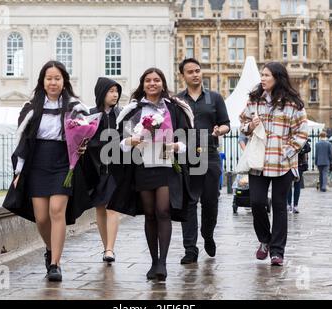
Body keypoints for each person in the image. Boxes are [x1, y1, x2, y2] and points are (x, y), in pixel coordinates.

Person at [2, 60, 90, 282]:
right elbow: (23, 142)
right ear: (43, 81)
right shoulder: (31, 108)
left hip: (63, 161)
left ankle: (55, 264)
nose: (53, 82)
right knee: (41, 218)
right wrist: (18, 172)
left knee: (56, 210)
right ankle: (51, 249)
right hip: (37, 163)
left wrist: (83, 143)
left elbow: (85, 136)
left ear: (64, 81)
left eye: (57, 78)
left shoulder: (75, 107)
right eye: (49, 78)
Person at [107, 67, 193, 281]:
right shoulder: (134, 110)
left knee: (163, 210)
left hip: (166, 165)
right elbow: (121, 141)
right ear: (142, 84)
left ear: (163, 83)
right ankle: (153, 261)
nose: (152, 83)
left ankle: (163, 263)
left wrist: (176, 146)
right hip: (143, 165)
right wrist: (131, 141)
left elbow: (189, 139)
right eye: (148, 80)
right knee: (150, 213)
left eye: (156, 80)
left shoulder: (175, 108)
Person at [239, 62, 308, 266]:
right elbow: (242, 124)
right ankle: (264, 240)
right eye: (261, 74)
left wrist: (287, 152)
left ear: (277, 77)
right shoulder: (254, 101)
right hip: (258, 162)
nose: (262, 78)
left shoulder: (293, 104)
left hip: (282, 164)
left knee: (279, 206)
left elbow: (302, 132)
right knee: (257, 203)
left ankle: (277, 252)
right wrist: (250, 125)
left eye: (266, 75)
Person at [176, 58, 230, 264]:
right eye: (190, 72)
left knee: (210, 201)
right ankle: (190, 249)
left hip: (210, 153)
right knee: (188, 203)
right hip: (186, 155)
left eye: (197, 70)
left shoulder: (214, 98)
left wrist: (220, 130)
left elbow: (226, 124)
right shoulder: (177, 101)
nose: (195, 74)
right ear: (183, 76)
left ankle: (207, 234)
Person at [82, 77, 123, 263]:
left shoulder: (121, 115)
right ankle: (106, 247)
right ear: (101, 93)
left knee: (113, 207)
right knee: (100, 208)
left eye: (116, 91)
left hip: (115, 168)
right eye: (111, 91)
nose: (115, 95)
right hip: (95, 168)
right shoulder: (90, 115)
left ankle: (110, 249)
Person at [287, 139, 310, 213]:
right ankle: (289, 204)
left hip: (299, 164)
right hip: (289, 163)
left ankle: (295, 205)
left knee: (297, 184)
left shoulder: (301, 138)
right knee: (289, 184)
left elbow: (308, 148)